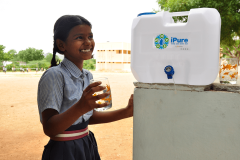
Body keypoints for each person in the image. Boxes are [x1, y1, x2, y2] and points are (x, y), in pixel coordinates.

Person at [37, 15, 133, 160]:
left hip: (86, 144)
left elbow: (87, 117)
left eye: (90, 36)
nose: (88, 42)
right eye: (79, 37)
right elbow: (49, 128)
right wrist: (81, 107)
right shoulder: (54, 75)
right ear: (62, 45)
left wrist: (126, 112)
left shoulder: (87, 75)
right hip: (64, 151)